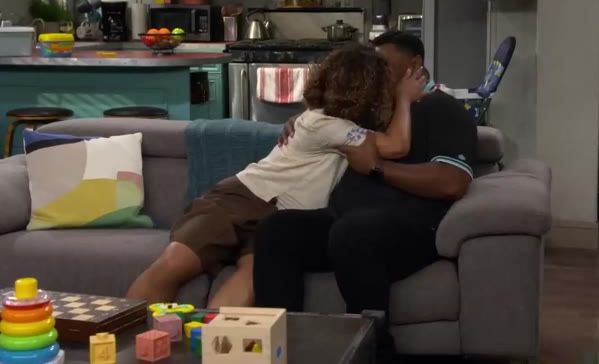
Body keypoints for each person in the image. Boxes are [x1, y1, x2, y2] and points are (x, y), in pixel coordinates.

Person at [126, 44, 427, 308]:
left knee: (252, 278)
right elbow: (397, 146)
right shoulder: (327, 124)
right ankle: (121, 340)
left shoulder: (336, 125)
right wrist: (404, 99)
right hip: (241, 198)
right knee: (173, 266)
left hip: (277, 220)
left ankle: (212, 346)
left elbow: (378, 141)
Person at [252, 31, 480, 357]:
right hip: (342, 223)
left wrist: (377, 169)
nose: (375, 70)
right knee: (277, 229)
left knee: (353, 232)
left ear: (414, 64)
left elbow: (452, 182)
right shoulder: (374, 111)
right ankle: (279, 349)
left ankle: (373, 351)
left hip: (409, 230)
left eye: (382, 62)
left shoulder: (444, 109)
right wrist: (299, 119)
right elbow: (327, 123)